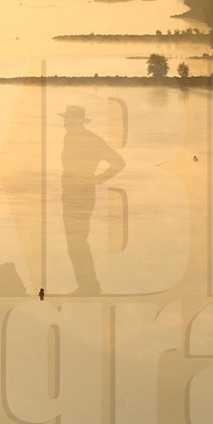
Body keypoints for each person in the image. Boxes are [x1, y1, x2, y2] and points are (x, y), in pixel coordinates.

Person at [61, 105, 125, 295]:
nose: (66, 123)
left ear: (79, 122)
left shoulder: (91, 140)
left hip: (81, 195)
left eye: (69, 120)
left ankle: (89, 286)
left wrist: (97, 180)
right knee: (74, 242)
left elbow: (119, 162)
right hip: (70, 194)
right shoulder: (69, 137)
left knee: (77, 241)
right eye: (65, 120)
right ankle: (87, 285)